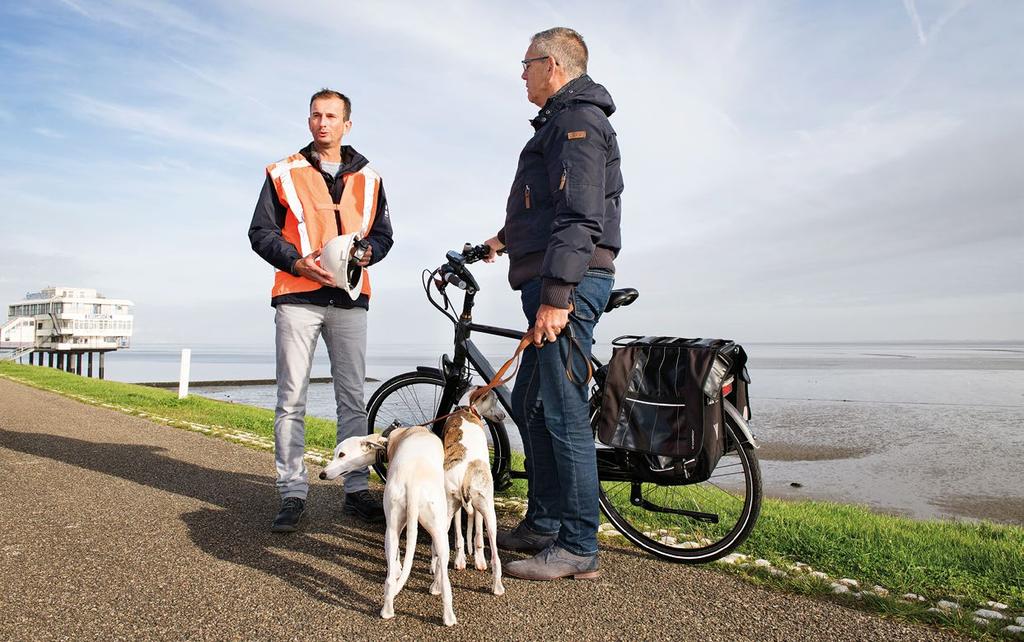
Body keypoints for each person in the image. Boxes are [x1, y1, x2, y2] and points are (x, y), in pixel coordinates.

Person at [483, 28, 623, 579]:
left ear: (554, 66)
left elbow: (580, 214)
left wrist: (559, 294)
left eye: (526, 64)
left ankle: (579, 546)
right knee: (535, 408)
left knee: (563, 414)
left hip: (565, 283)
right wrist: (498, 241)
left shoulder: (577, 122)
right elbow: (543, 208)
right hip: (546, 275)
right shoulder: (561, 122)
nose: (521, 73)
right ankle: (542, 522)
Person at [248, 88, 393, 532]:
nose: (322, 123)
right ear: (309, 121)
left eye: (331, 116)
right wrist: (296, 261)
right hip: (297, 298)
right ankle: (292, 492)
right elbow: (260, 232)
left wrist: (369, 251)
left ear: (347, 124)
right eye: (315, 115)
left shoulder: (371, 178)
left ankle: (354, 491)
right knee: (291, 398)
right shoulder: (283, 172)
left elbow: (383, 236)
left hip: (350, 300)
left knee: (353, 398)